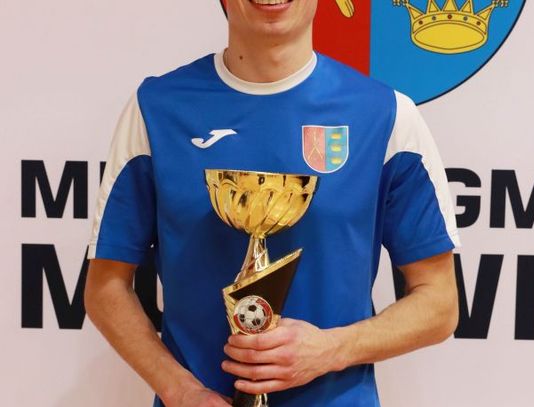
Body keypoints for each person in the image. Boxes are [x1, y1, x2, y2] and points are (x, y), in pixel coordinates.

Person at [84, 1, 460, 406]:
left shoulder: (386, 115)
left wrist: (332, 349)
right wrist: (181, 391)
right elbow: (105, 288)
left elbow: (439, 303)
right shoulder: (156, 108)